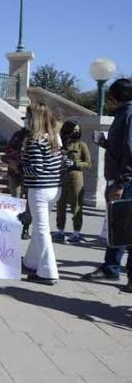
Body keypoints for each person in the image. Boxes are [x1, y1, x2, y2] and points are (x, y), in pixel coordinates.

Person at [83, 78, 132, 291]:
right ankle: (118, 271)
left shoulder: (129, 114)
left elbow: (130, 151)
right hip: (121, 178)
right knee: (122, 227)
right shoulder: (124, 114)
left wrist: (121, 182)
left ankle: (111, 268)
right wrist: (105, 143)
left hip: (125, 181)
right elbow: (122, 147)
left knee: (121, 227)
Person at [19, 102, 63, 285]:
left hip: (39, 188)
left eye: (28, 116)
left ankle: (48, 271)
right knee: (40, 227)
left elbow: (36, 168)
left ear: (34, 118)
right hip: (54, 187)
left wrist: (20, 166)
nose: (26, 120)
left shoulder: (35, 140)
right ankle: (31, 261)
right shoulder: (53, 138)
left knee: (42, 229)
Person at [55, 120, 91, 243]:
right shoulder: (59, 144)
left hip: (76, 178)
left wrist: (75, 163)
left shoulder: (81, 145)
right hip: (61, 177)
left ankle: (76, 232)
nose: (77, 132)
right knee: (60, 205)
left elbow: (88, 163)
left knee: (76, 205)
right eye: (74, 130)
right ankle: (60, 231)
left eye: (78, 130)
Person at [2, 123, 32, 240]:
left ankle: (25, 228)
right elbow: (8, 149)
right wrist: (16, 157)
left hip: (28, 173)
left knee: (28, 203)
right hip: (14, 171)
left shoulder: (35, 136)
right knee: (15, 199)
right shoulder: (17, 135)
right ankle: (15, 226)